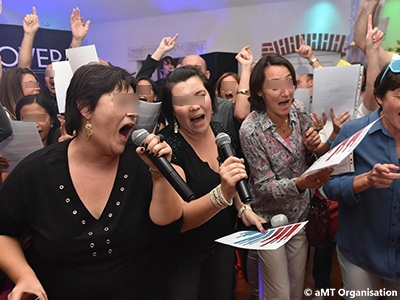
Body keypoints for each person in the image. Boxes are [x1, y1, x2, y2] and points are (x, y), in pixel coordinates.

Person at [0, 64, 185, 300]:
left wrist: (159, 174)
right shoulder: (36, 172)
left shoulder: (142, 163)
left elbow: (168, 231)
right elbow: (4, 231)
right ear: (85, 107)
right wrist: (24, 275)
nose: (133, 112)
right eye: (122, 103)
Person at [159, 65, 265, 300]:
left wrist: (243, 209)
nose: (195, 105)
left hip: (222, 245)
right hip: (182, 257)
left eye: (200, 95)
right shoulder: (168, 147)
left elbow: (232, 175)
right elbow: (182, 220)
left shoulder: (220, 131)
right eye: (183, 100)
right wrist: (223, 193)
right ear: (172, 110)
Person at [239, 54, 334, 300]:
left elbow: (309, 155)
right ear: (260, 91)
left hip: (300, 215)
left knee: (296, 286)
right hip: (269, 220)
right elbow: (263, 186)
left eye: (289, 83)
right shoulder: (251, 130)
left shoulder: (299, 111)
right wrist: (300, 183)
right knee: (278, 292)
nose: (284, 92)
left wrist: (313, 145)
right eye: (274, 86)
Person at [323, 58, 400, 299]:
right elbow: (329, 185)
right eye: (399, 95)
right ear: (380, 97)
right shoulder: (354, 132)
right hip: (360, 248)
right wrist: (366, 180)